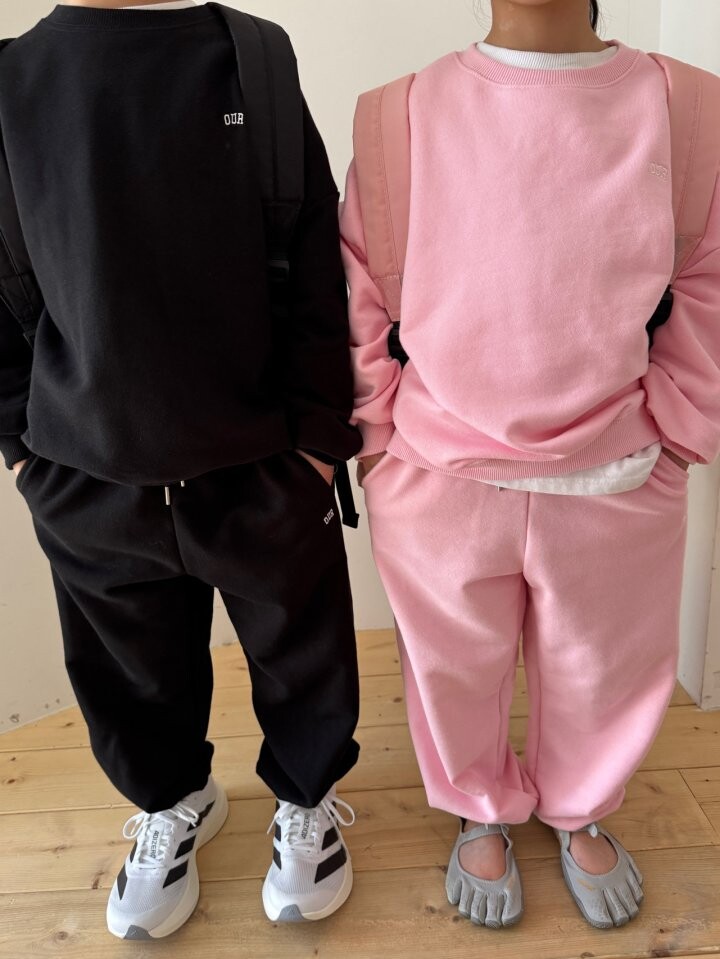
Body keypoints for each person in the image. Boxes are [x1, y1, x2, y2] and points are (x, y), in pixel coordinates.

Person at [341, 0, 720, 931]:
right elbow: (362, 285)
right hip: (439, 467)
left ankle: (581, 802)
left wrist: (679, 429)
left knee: (609, 663)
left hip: (619, 460)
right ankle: (479, 803)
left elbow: (709, 278)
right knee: (451, 664)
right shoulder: (399, 110)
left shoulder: (689, 107)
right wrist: (377, 437)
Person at [0, 0, 362, 940]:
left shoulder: (254, 55)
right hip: (87, 475)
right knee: (128, 673)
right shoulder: (10, 80)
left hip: (265, 465)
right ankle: (172, 802)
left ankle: (307, 800)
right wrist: (24, 452)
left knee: (303, 651)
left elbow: (313, 253)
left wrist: (318, 444)